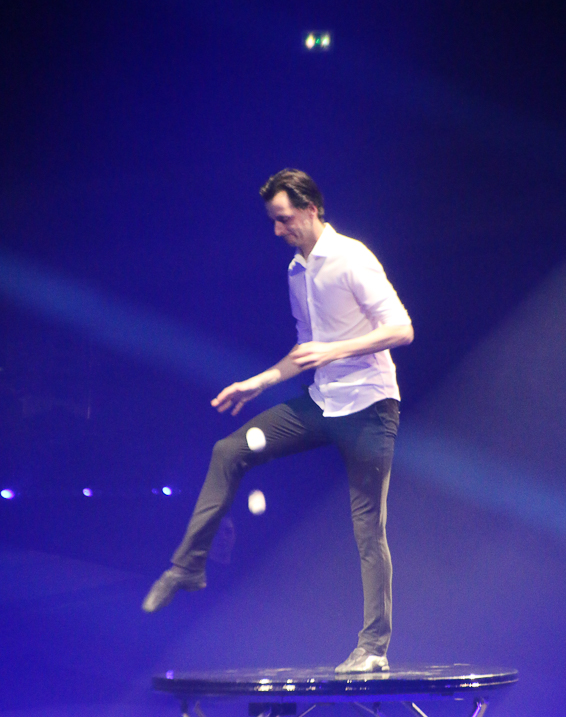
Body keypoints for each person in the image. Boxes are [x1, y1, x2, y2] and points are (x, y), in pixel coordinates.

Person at [142, 169, 413, 673]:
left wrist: (335, 350)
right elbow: (306, 350)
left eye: (284, 219)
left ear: (311, 208)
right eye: (272, 220)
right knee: (230, 450)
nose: (277, 230)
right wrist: (259, 382)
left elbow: (401, 328)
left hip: (370, 409)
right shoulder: (296, 271)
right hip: (322, 403)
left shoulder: (352, 258)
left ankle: (374, 647)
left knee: (367, 529)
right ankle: (188, 566)